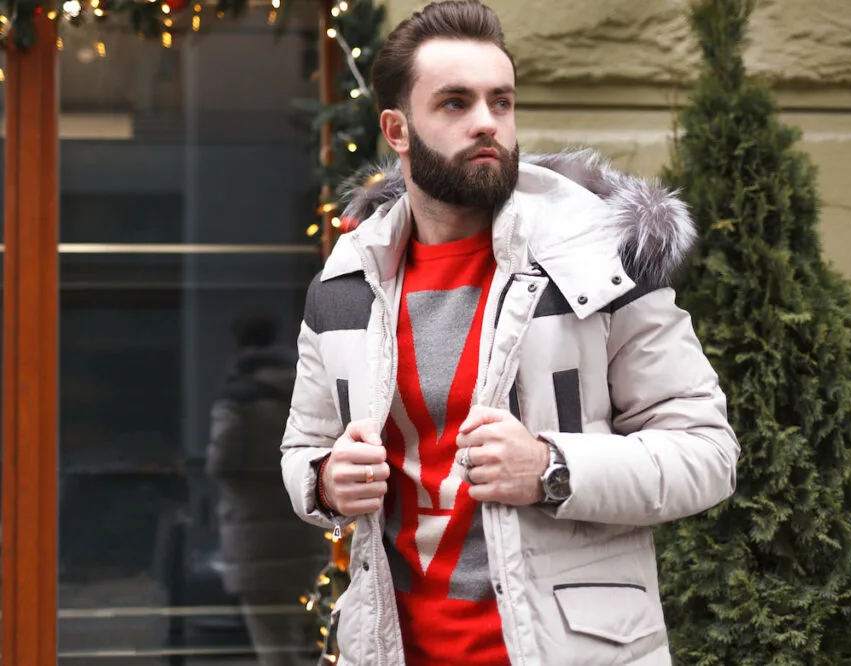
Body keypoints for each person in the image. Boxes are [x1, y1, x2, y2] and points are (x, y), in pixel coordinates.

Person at [280, 2, 740, 664]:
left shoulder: (597, 261)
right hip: (390, 649)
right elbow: (304, 446)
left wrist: (552, 468)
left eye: (502, 101)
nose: (487, 123)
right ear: (397, 129)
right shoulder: (347, 279)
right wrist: (325, 481)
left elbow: (708, 454)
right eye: (456, 104)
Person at [206, 311, 327, 666]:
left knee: (274, 648)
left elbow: (221, 462)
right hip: (305, 533)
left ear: (236, 346)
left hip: (254, 540)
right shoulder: (302, 387)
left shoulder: (238, 397)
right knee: (314, 643)